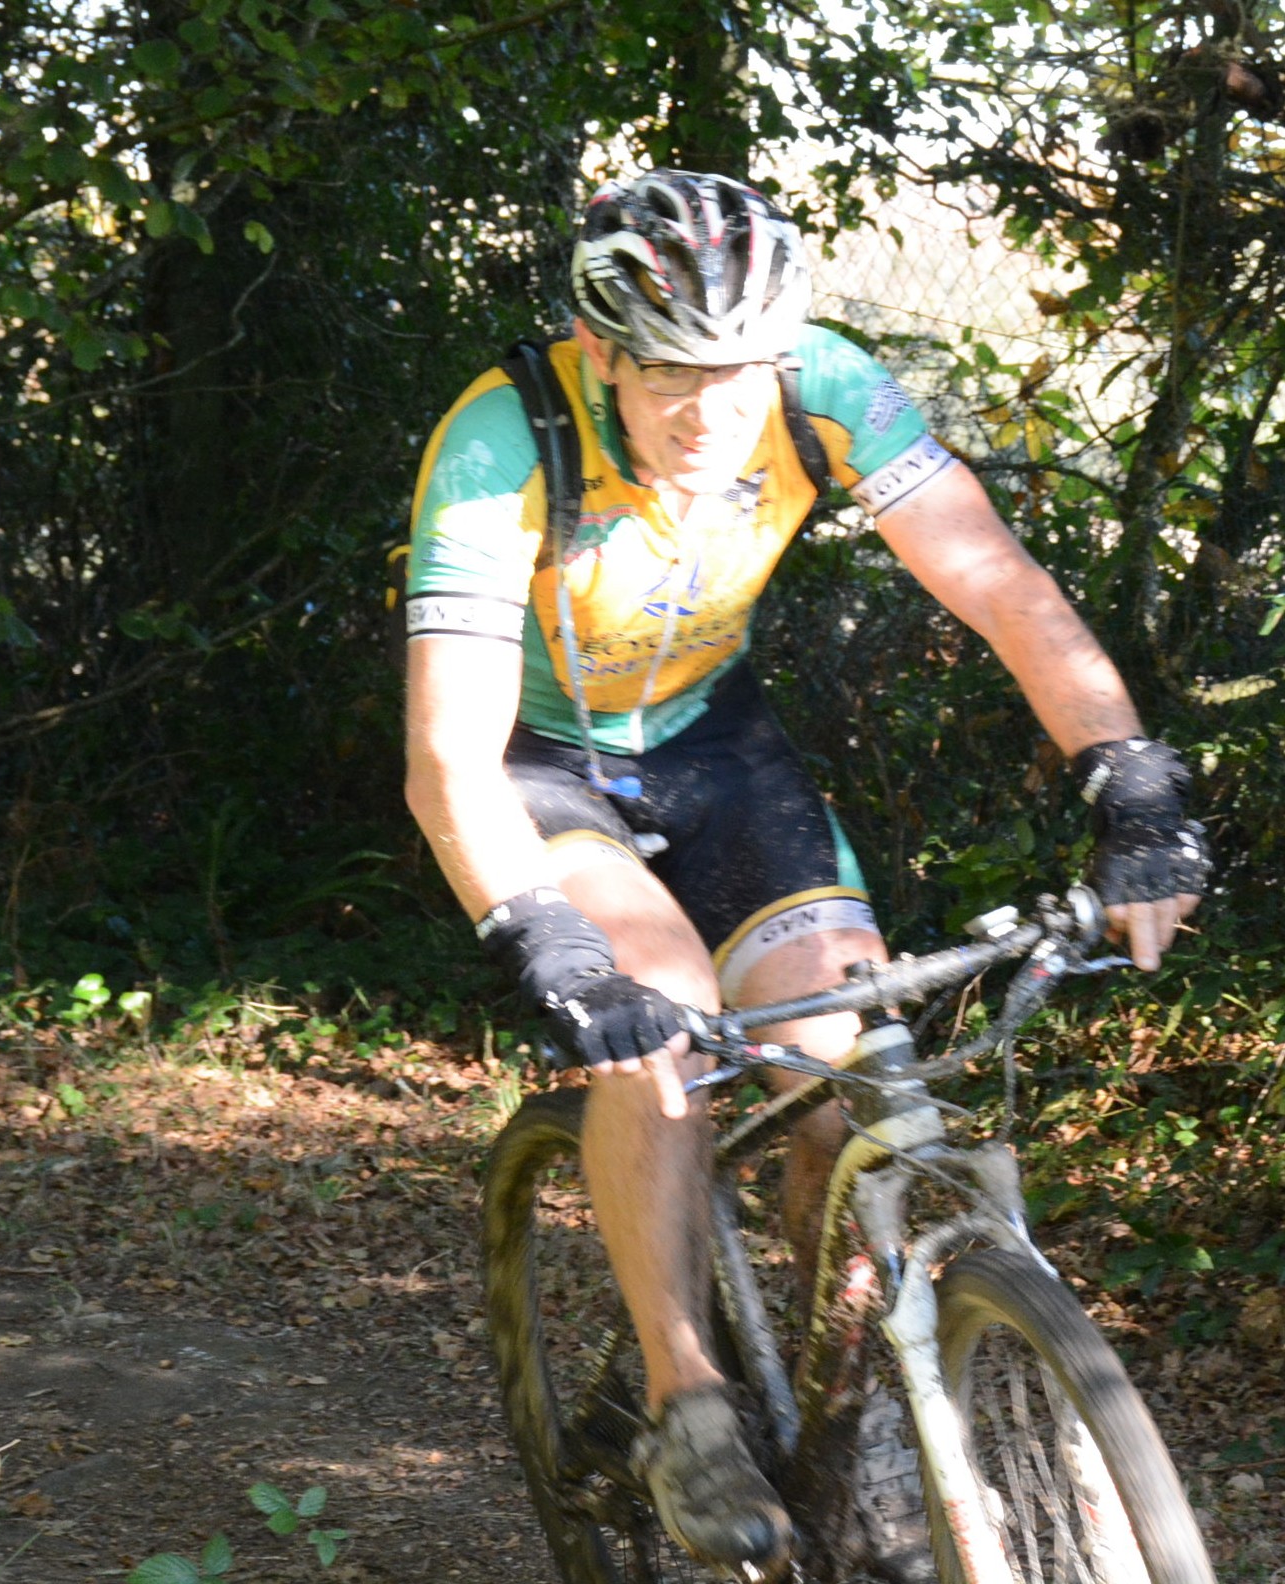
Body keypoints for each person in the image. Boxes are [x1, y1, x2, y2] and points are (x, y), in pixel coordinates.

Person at [401, 169, 1209, 1576]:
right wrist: (542, 935)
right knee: (659, 1013)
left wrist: (1132, 781)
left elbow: (998, 583)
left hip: (713, 745)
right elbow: (446, 756)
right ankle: (688, 1402)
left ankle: (854, 1412)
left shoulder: (826, 389)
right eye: (671, 376)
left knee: (842, 1065)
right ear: (601, 352)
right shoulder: (499, 438)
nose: (710, 413)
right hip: (539, 761)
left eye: (740, 374)